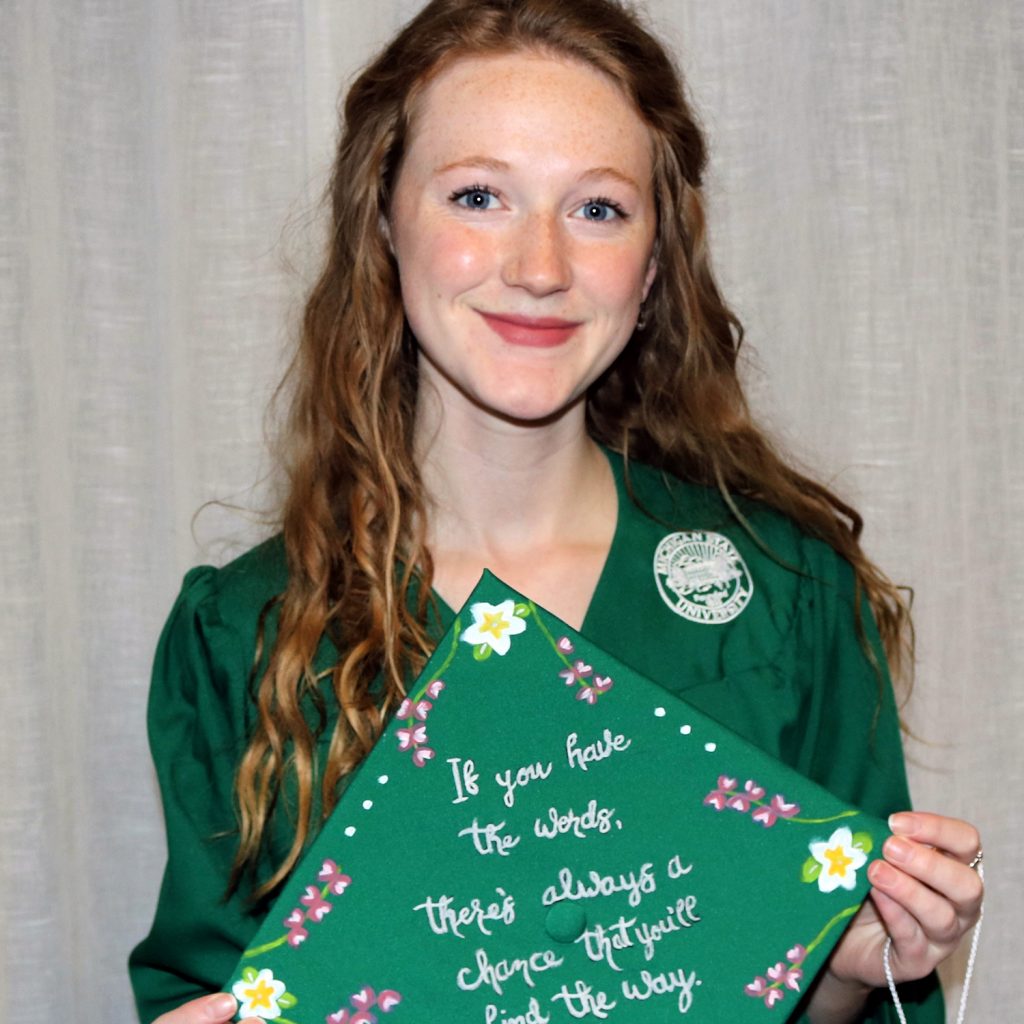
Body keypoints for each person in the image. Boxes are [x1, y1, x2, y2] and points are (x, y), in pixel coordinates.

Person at [129, 1, 983, 1021]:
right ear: (382, 226)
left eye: (597, 209)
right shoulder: (247, 633)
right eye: (480, 194)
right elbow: (215, 982)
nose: (539, 268)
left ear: (654, 264)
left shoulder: (785, 597)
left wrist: (853, 967)